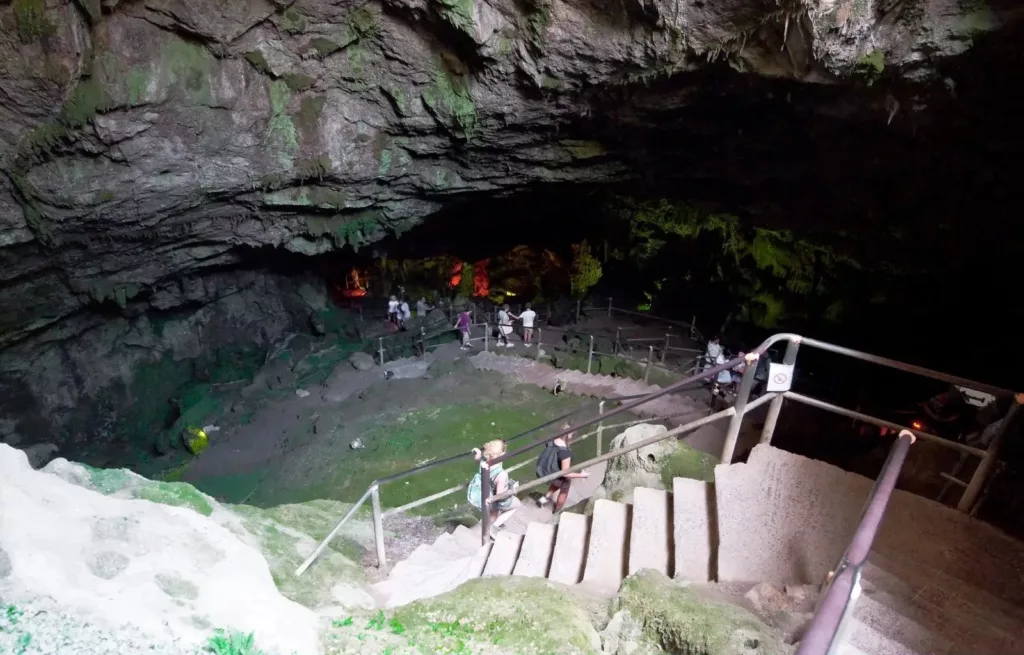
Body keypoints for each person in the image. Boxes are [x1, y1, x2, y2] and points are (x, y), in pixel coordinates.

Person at [471, 440, 521, 538]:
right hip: (493, 497)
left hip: (484, 491)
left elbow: (477, 460)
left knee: (493, 511)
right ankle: (492, 527)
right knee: (516, 505)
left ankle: (486, 524)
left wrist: (478, 454)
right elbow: (499, 495)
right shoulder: (501, 474)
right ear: (502, 454)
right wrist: (512, 490)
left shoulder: (483, 463)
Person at [535, 424, 589, 512]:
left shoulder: (551, 441)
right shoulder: (565, 453)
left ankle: (544, 499)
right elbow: (566, 473)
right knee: (565, 487)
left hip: (546, 470)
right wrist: (582, 475)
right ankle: (557, 510)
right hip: (555, 475)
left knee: (556, 483)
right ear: (570, 436)